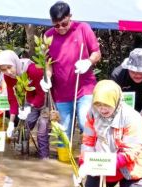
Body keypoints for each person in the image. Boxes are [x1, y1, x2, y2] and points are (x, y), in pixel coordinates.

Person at [40, 1, 101, 141]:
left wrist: (88, 61)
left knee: (85, 124)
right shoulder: (48, 36)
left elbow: (97, 53)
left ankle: (90, 159)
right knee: (63, 132)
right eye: (56, 25)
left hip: (84, 88)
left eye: (64, 24)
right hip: (61, 92)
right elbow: (47, 63)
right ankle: (64, 160)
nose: (61, 28)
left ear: (70, 16)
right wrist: (47, 77)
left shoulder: (83, 28)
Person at [78, 80, 142, 187]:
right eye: (98, 104)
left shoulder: (132, 118)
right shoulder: (92, 113)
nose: (102, 109)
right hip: (103, 160)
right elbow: (88, 141)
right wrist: (85, 161)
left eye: (107, 105)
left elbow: (131, 152)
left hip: (132, 166)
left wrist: (106, 163)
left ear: (116, 101)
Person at [0, 50, 49, 158]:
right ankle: (24, 156)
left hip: (45, 102)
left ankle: (44, 158)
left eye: (9, 67)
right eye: (4, 70)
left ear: (14, 62)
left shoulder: (33, 70)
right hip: (29, 102)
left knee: (42, 133)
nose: (8, 72)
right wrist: (11, 122)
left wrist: (30, 107)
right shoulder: (8, 77)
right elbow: (12, 99)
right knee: (23, 129)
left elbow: (41, 94)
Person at [111, 48, 142, 144]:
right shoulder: (118, 75)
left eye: (141, 72)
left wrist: (136, 131)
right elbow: (111, 102)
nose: (137, 75)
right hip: (123, 110)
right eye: (133, 71)